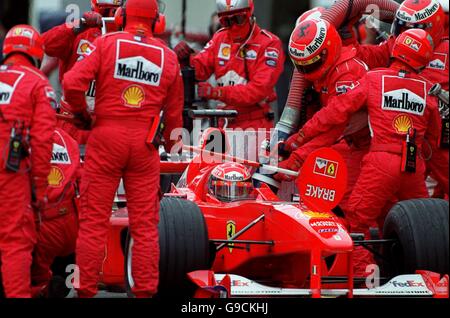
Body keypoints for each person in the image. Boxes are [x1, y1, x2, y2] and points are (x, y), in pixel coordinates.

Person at [295, 29, 441, 277]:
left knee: (357, 220)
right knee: (421, 225)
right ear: (424, 58)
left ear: (397, 49)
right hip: (413, 166)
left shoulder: (374, 79)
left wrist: (300, 135)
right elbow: (433, 140)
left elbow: (336, 112)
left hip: (381, 161)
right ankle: (428, 280)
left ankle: (366, 279)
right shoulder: (429, 91)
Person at [63, 0, 183, 298]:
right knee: (145, 228)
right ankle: (144, 292)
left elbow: (71, 82)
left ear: (121, 16)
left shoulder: (106, 44)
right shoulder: (169, 57)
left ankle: (85, 292)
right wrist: (167, 144)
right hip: (144, 146)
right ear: (158, 22)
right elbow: (176, 119)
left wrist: (82, 115)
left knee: (92, 223)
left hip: (105, 139)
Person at [352, 0, 449, 197]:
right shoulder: (395, 44)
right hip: (406, 136)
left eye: (411, 29)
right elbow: (363, 55)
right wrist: (346, 25)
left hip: (441, 135)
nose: (405, 35)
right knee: (405, 199)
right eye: (402, 27)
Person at [274, 18, 370, 216]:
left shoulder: (346, 72)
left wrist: (297, 151)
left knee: (347, 206)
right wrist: (291, 145)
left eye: (311, 64)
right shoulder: (325, 69)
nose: (306, 71)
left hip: (364, 146)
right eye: (302, 66)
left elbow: (336, 125)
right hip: (349, 142)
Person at [0, 25, 56, 297]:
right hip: (9, 171)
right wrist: (40, 191)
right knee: (15, 242)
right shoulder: (38, 84)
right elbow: (43, 143)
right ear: (36, 54)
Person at [174, 0, 285, 131]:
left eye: (238, 19)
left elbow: (258, 90)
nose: (233, 26)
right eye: (227, 21)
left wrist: (217, 93)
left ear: (250, 14)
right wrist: (186, 60)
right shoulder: (220, 37)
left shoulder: (269, 44)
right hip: (222, 121)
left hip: (255, 124)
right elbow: (200, 70)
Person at [42, 0, 123, 145]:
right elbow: (45, 45)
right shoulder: (80, 29)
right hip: (73, 121)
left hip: (109, 123)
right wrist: (75, 25)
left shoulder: (125, 36)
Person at [31, 128, 80, 298]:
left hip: (43, 227)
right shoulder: (66, 138)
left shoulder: (18, 136)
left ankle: (43, 288)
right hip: (71, 226)